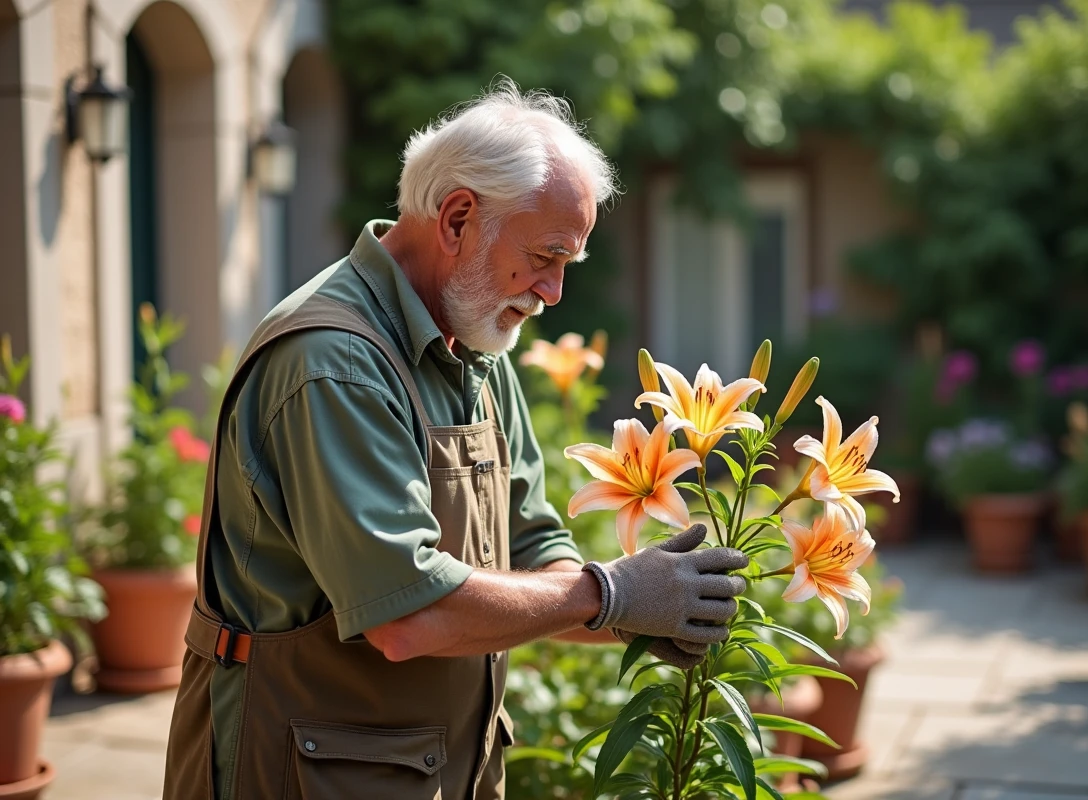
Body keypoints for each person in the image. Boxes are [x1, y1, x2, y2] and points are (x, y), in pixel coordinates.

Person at [162, 81, 747, 800]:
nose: (555, 291)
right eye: (546, 255)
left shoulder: (474, 344)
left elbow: (533, 547)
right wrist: (611, 593)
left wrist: (636, 616)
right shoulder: (333, 364)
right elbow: (408, 615)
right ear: (459, 217)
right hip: (298, 768)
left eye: (569, 263)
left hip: (428, 766)